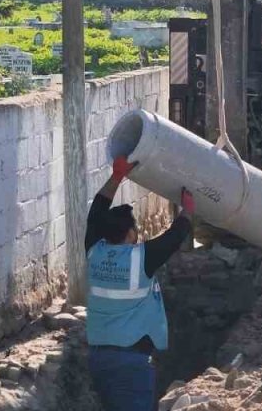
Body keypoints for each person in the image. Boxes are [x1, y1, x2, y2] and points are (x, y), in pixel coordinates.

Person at [85, 156, 195, 410]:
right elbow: (175, 237)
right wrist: (188, 210)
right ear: (130, 234)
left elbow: (95, 215)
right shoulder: (140, 259)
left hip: (99, 359)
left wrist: (116, 178)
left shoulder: (94, 251)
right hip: (131, 363)